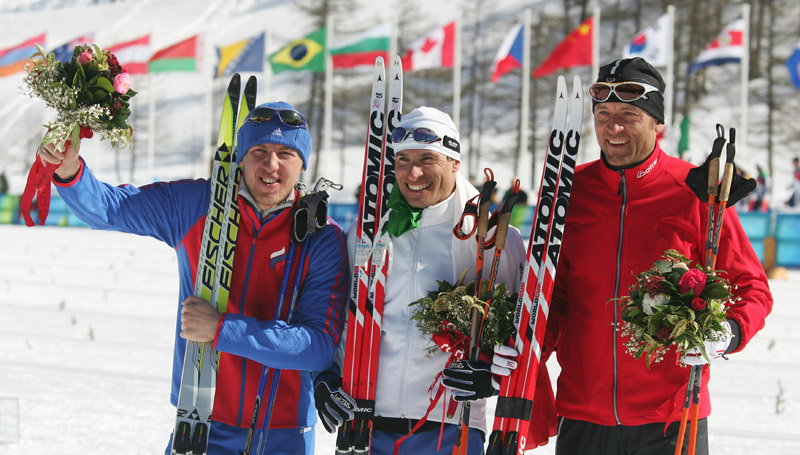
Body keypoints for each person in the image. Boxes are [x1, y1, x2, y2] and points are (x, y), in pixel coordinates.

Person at [37, 101, 348, 455]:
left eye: (285, 153)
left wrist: (221, 329)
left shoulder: (321, 238)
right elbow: (112, 209)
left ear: (303, 163)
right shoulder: (196, 205)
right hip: (200, 420)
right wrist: (69, 172)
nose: (271, 164)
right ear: (241, 157)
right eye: (259, 150)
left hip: (285, 433)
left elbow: (318, 347)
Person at [540, 57, 773, 454]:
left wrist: (727, 332)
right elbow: (553, 296)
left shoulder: (696, 191)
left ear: (656, 122)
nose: (613, 128)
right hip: (582, 413)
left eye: (629, 115)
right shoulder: (568, 193)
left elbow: (752, 288)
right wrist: (520, 350)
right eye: (603, 114)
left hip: (671, 417)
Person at [313, 107, 526, 454]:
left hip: (452, 424)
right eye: (403, 160)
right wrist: (323, 377)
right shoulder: (368, 232)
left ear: (455, 162)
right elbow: (340, 318)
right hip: (366, 422)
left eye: (428, 158)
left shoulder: (491, 237)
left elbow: (518, 332)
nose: (413, 172)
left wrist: (492, 373)